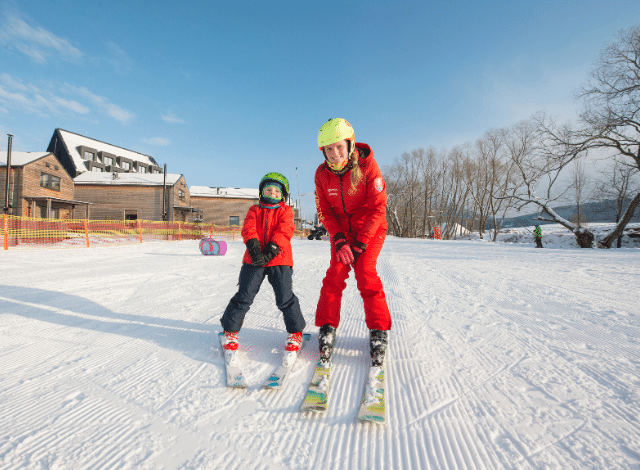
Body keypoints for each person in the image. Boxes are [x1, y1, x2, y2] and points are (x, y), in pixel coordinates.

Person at [313, 118, 391, 367]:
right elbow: (324, 210)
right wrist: (338, 239)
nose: (334, 154)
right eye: (328, 149)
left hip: (370, 228)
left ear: (350, 144)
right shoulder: (321, 174)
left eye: (339, 147)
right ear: (322, 151)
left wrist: (360, 244)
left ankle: (378, 331)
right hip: (342, 234)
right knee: (334, 275)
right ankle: (327, 327)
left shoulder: (368, 167)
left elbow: (378, 208)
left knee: (365, 273)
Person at [220, 172, 306, 353]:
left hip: (279, 260)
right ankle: (230, 331)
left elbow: (285, 231)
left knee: (285, 297)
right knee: (244, 295)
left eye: (277, 190)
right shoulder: (254, 210)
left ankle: (295, 332)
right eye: (268, 189)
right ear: (262, 192)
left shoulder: (286, 211)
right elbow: (248, 228)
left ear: (283, 195)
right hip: (254, 260)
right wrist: (254, 248)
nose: (272, 193)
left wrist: (271, 251)